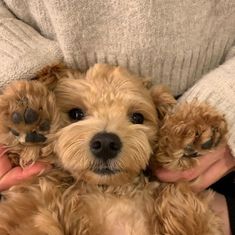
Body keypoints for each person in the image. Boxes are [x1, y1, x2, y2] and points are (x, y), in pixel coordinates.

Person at [0, 0, 234, 234]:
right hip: (44, 163)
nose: (106, 140)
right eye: (77, 114)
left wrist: (227, 101)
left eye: (136, 118)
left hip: (200, 169)